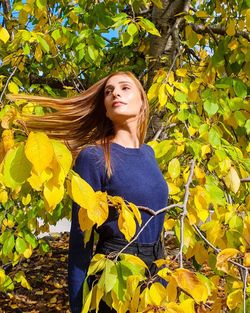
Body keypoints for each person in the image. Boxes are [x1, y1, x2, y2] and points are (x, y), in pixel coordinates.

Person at [8, 71, 168, 313]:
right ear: (105, 108)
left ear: (142, 101)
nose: (115, 92)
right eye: (108, 91)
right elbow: (79, 244)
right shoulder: (93, 157)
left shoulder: (149, 153)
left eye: (125, 88)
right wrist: (77, 305)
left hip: (157, 276)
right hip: (114, 276)